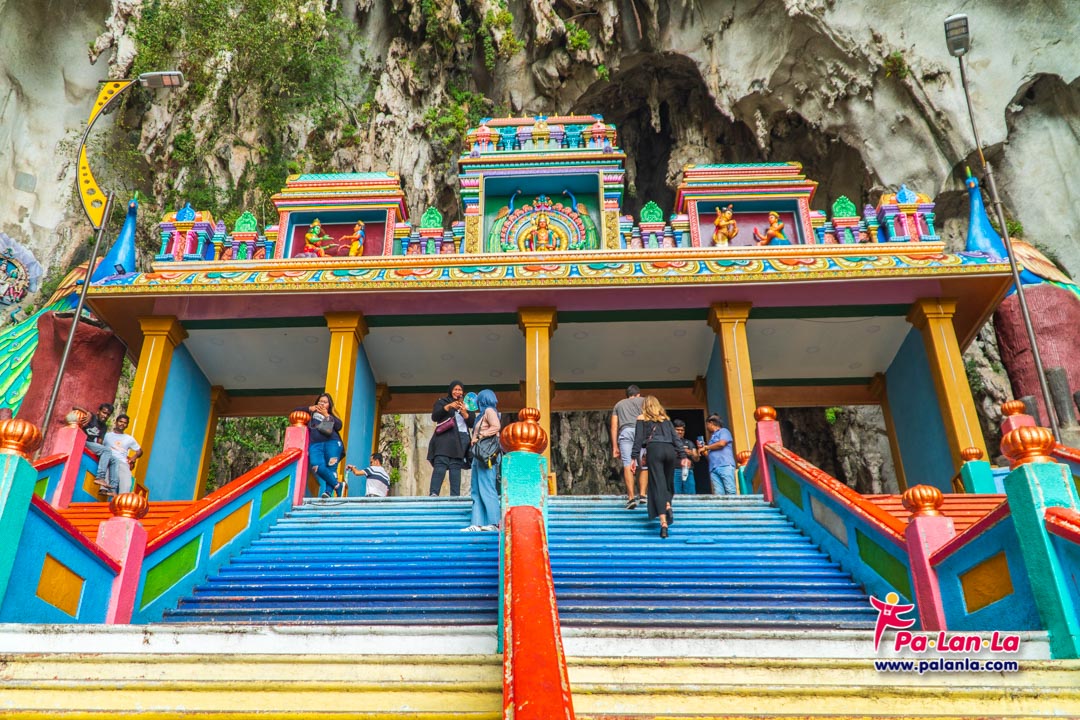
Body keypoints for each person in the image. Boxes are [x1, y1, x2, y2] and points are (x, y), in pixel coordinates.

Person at [631, 396, 682, 538]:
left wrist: (634, 457)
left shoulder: (642, 418)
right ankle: (668, 505)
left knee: (657, 485)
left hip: (655, 450)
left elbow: (638, 439)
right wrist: (683, 455)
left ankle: (663, 523)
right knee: (667, 482)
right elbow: (676, 438)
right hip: (670, 451)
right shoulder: (666, 419)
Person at [462, 389, 501, 532]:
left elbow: (496, 426)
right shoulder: (482, 414)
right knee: (476, 490)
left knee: (487, 488)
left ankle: (494, 522)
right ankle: (476, 523)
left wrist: (481, 435)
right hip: (478, 456)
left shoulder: (490, 410)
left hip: (487, 455)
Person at [428, 380, 474, 496]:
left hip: (461, 441)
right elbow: (435, 416)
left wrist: (465, 413)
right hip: (444, 440)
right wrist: (448, 407)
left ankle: (455, 496)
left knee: (456, 467)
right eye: (455, 389)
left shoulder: (467, 405)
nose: (457, 392)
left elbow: (472, 423)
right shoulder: (442, 402)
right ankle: (434, 493)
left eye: (460, 390)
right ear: (451, 390)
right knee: (440, 464)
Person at [300, 393, 344, 498]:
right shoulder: (311, 414)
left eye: (325, 402)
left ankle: (328, 492)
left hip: (332, 443)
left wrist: (326, 415)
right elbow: (295, 411)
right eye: (320, 401)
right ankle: (338, 485)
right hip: (315, 444)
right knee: (316, 465)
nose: (322, 404)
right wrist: (309, 408)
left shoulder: (331, 416)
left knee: (331, 467)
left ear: (329, 405)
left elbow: (339, 426)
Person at [611, 384, 647, 509]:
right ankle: (642, 495)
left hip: (625, 432)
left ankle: (631, 498)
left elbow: (614, 426)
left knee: (627, 464)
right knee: (643, 464)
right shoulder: (644, 401)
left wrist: (615, 447)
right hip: (642, 432)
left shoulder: (618, 404)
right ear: (638, 394)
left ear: (627, 395)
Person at [94, 414, 142, 498]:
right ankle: (104, 489)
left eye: (125, 423)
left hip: (122, 462)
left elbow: (140, 451)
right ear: (116, 422)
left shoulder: (129, 438)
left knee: (127, 483)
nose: (122, 424)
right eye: (120, 421)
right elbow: (98, 445)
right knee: (108, 463)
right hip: (109, 459)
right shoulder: (107, 435)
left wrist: (133, 459)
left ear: (127, 425)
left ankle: (122, 499)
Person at [701, 414, 736, 495]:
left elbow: (721, 444)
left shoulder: (724, 431)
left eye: (707, 424)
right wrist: (704, 451)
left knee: (730, 490)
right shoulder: (712, 438)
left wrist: (706, 447)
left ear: (711, 423)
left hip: (725, 465)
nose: (707, 427)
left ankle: (733, 504)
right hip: (713, 468)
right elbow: (710, 457)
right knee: (718, 494)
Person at [672, 419, 700, 495]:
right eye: (677, 430)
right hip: (674, 470)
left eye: (682, 430)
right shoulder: (669, 442)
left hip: (688, 470)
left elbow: (697, 459)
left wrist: (691, 453)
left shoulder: (689, 442)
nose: (680, 432)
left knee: (690, 494)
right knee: (675, 494)